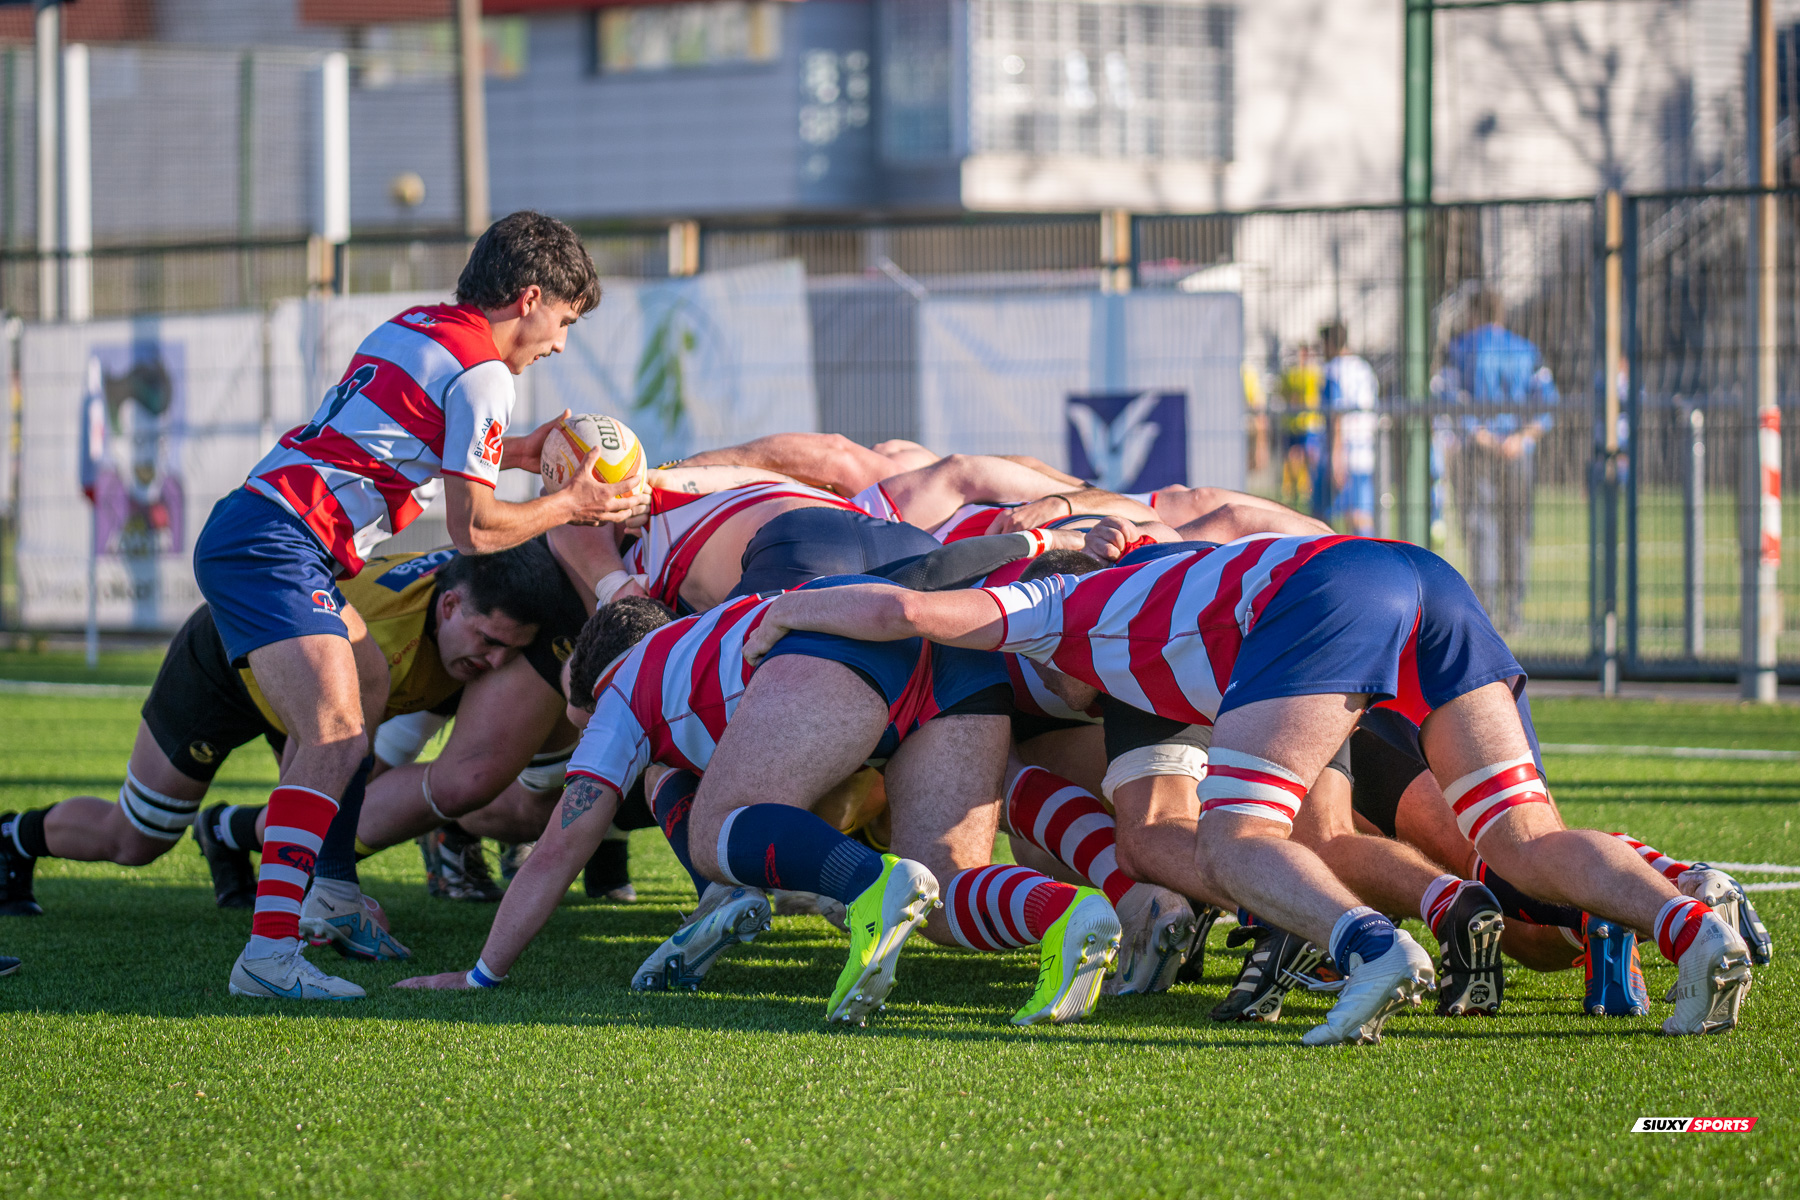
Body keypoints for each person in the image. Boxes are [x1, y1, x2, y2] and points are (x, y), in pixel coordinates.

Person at [743, 526, 1756, 1041]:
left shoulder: (1060, 607)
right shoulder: (1161, 578)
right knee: (1521, 837)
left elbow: (915, 617)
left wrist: (795, 614)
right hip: (1419, 574)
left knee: (1236, 840)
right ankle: (1689, 929)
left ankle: (1370, 950)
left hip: (1324, 603)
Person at [188, 211, 641, 1001]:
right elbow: (476, 529)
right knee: (333, 737)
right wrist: (573, 506)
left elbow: (404, 442)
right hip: (278, 542)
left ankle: (324, 891)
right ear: (529, 297)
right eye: (563, 322)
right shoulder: (485, 374)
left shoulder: (417, 325)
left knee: (362, 687)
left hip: (268, 527)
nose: (559, 343)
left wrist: (521, 451)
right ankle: (267, 956)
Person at [0, 543, 568, 955]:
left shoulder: (476, 600)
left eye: (508, 651)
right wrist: (335, 886)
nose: (494, 663)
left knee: (313, 815)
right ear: (448, 607)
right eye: (489, 642)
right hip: (229, 664)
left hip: (306, 696)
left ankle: (227, 837)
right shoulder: (385, 634)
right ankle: (13, 839)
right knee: (135, 838)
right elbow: (337, 745)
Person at [1435, 289, 1559, 630]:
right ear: (1500, 313)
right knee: (1516, 530)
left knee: (1481, 529)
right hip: (1518, 452)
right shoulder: (1525, 349)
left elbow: (1448, 399)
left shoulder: (1460, 350)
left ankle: (1485, 612)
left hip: (1479, 451)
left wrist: (1482, 435)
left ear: (1474, 314)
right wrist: (1522, 438)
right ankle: (1514, 611)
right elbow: (1547, 402)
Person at [1320, 320, 1379, 536]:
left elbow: (1336, 414)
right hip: (1364, 451)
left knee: (1322, 518)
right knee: (1361, 514)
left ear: (1329, 344)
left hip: (1342, 451)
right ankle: (1370, 562)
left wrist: (1336, 455)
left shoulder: (1334, 370)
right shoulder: (1364, 368)